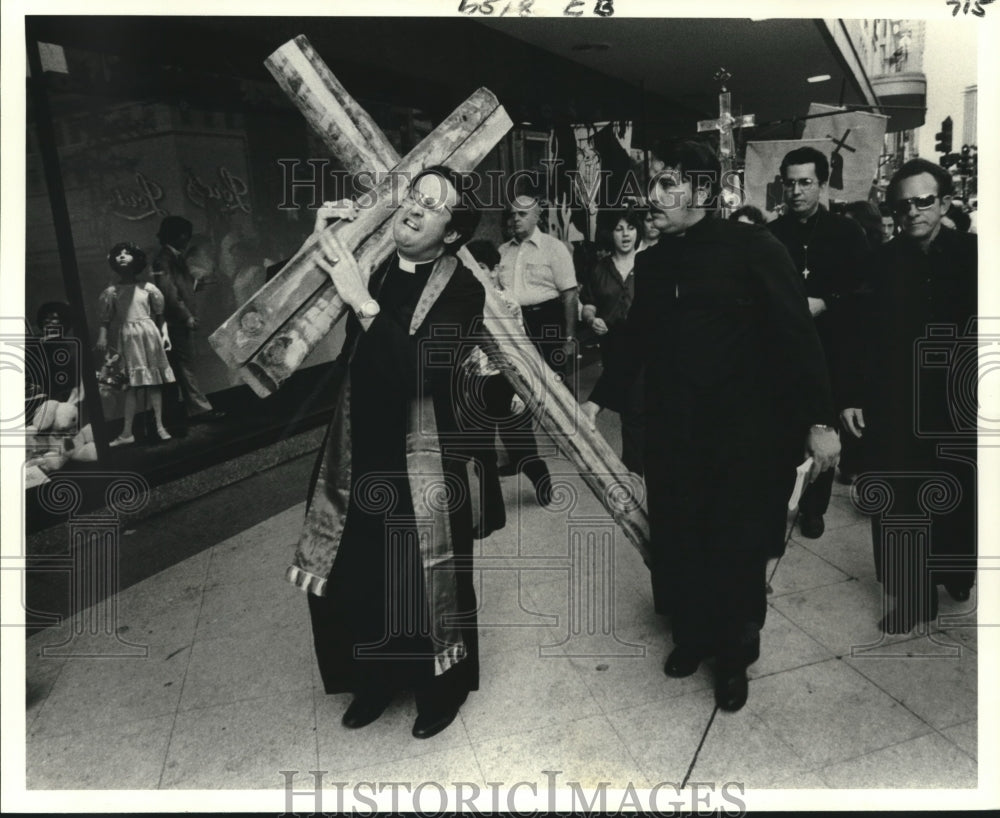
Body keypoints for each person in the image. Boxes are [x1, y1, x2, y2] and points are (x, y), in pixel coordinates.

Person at [582, 140, 839, 712]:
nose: (652, 196)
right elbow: (635, 342)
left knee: (737, 544)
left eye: (667, 183)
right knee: (680, 536)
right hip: (675, 433)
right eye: (652, 182)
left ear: (700, 191)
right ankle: (692, 637)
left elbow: (797, 336)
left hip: (744, 436)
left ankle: (733, 657)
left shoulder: (753, 248)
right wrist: (597, 401)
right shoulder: (652, 263)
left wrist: (820, 420)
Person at [291, 166, 485, 739]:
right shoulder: (372, 264)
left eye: (433, 205)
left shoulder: (461, 288)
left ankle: (438, 692)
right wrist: (319, 239)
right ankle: (372, 682)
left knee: (421, 573)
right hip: (358, 447)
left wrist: (362, 303)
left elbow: (422, 372)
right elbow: (285, 305)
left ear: (451, 233)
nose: (415, 209)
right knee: (360, 571)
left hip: (423, 455)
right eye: (414, 197)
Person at [838, 159, 977, 634]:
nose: (913, 211)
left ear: (944, 202)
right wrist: (852, 396)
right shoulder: (878, 262)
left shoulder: (976, 255)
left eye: (924, 200)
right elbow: (855, 336)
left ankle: (958, 571)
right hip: (894, 400)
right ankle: (911, 594)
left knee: (960, 494)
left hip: (963, 402)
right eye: (903, 204)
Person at [768, 146, 868, 539]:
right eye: (789, 183)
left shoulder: (847, 232)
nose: (796, 191)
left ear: (822, 185)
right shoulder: (772, 234)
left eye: (805, 183)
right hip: (782, 353)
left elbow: (864, 291)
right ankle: (778, 502)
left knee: (823, 430)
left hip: (831, 348)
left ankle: (813, 508)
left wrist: (827, 301)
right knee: (783, 431)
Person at [493, 191, 579, 504]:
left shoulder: (555, 249)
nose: (515, 219)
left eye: (521, 214)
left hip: (549, 323)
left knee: (555, 390)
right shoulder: (502, 251)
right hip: (513, 327)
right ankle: (524, 460)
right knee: (512, 395)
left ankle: (580, 446)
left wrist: (569, 339)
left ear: (537, 215)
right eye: (512, 214)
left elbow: (570, 295)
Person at [579, 207, 645, 475]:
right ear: (611, 234)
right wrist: (590, 318)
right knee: (634, 407)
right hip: (613, 345)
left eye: (630, 227)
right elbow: (588, 304)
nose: (626, 234)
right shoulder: (599, 269)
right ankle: (634, 471)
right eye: (619, 229)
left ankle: (633, 470)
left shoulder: (649, 264)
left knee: (635, 409)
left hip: (646, 343)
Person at [96, 242, 175, 446]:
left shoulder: (148, 289)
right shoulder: (112, 292)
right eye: (118, 254)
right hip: (128, 337)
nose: (122, 256)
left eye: (127, 254)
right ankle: (126, 432)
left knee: (154, 384)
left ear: (136, 259)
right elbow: (105, 320)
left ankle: (159, 426)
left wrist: (164, 335)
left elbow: (160, 315)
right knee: (131, 385)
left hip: (149, 335)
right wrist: (102, 337)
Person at [152, 215, 225, 430]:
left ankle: (180, 415)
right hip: (174, 323)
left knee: (181, 367)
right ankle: (199, 410)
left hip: (175, 322)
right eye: (184, 234)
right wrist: (187, 316)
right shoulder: (164, 259)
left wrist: (195, 284)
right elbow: (169, 293)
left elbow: (177, 286)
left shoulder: (171, 257)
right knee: (185, 367)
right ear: (176, 235)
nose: (187, 238)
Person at [458, 238, 510, 539]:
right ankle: (494, 515)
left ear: (493, 271)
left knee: (484, 452)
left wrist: (518, 392)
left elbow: (520, 351)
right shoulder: (467, 301)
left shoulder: (507, 303)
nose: (475, 274)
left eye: (480, 268)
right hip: (471, 381)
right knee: (480, 452)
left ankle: (491, 517)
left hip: (497, 382)